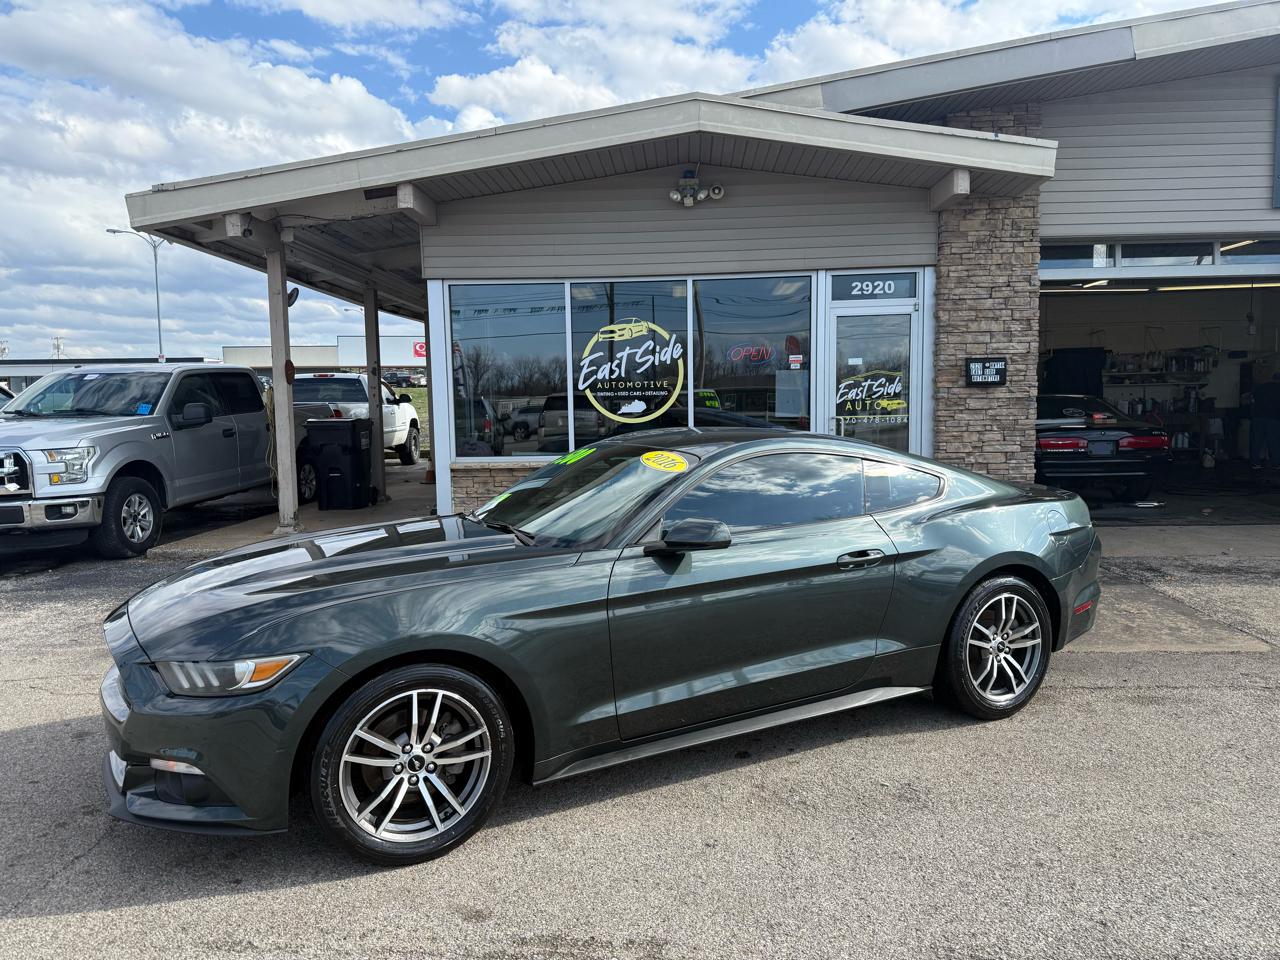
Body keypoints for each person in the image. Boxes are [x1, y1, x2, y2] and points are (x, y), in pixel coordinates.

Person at [1251, 371, 1280, 470]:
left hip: (1257, 417)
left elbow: (1252, 400)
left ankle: (1255, 463)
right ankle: (1276, 464)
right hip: (1273, 418)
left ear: (1273, 378)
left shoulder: (1260, 387)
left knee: (1256, 442)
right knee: (1274, 442)